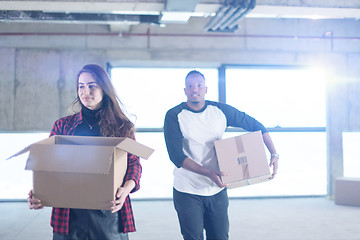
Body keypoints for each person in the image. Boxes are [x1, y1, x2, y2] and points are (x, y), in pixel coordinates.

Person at [27, 64, 142, 240]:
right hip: (69, 215)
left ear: (104, 88)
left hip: (109, 213)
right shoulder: (63, 126)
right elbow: (47, 165)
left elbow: (134, 163)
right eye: (81, 86)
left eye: (92, 85)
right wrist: (40, 192)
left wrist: (126, 189)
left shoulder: (122, 127)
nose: (85, 91)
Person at [163, 70, 279, 240]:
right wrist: (208, 172)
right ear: (185, 91)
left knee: (220, 237)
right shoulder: (174, 115)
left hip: (218, 188)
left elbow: (256, 125)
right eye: (190, 86)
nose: (195, 89)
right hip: (187, 189)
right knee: (193, 237)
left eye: (199, 85)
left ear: (206, 89)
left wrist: (274, 153)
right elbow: (176, 156)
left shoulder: (219, 111)